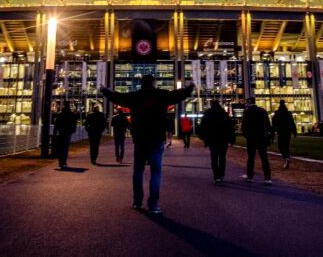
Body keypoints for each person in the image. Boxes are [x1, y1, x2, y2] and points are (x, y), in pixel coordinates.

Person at [100, 75, 195, 214]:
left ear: (141, 83)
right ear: (154, 83)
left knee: (138, 170)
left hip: (140, 138)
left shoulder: (135, 96)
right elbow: (178, 95)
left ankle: (137, 201)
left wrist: (104, 90)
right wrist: (190, 87)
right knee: (156, 172)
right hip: (157, 137)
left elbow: (118, 97)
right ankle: (154, 204)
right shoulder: (162, 95)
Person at [198, 100, 236, 184]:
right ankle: (221, 174)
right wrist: (231, 139)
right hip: (223, 139)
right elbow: (230, 128)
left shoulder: (208, 113)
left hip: (213, 139)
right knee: (222, 157)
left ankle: (216, 176)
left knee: (214, 158)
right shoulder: (224, 113)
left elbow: (202, 127)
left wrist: (204, 138)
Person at [241, 97, 272, 184]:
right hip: (262, 137)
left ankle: (250, 176)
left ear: (248, 103)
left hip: (251, 137)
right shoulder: (262, 111)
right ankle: (267, 178)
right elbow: (268, 124)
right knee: (264, 158)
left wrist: (246, 135)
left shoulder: (247, 112)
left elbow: (244, 126)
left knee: (251, 158)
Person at [272, 99, 297, 169]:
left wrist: (273, 131)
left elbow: (274, 123)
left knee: (281, 146)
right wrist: (294, 132)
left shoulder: (277, 113)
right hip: (287, 131)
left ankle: (286, 157)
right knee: (286, 146)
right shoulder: (288, 113)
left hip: (281, 131)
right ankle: (287, 157)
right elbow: (292, 122)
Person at [53, 100, 78, 170]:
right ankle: (64, 162)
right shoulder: (71, 114)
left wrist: (55, 132)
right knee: (65, 147)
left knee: (61, 147)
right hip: (68, 132)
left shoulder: (60, 114)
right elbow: (74, 123)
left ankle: (61, 162)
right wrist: (73, 130)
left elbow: (56, 124)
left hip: (61, 132)